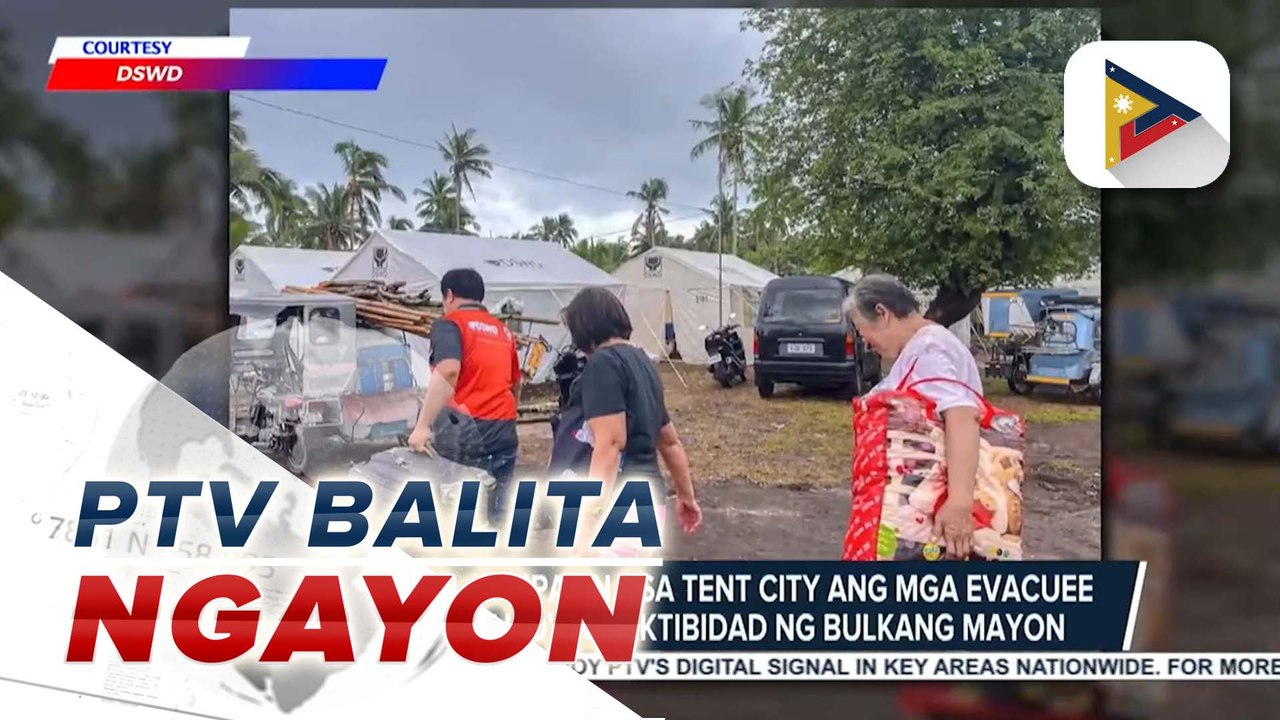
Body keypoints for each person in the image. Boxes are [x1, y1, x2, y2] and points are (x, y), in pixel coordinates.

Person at [843, 274, 983, 559]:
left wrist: (959, 503)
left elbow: (961, 414)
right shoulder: (925, 346)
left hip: (931, 520)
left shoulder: (929, 350)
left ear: (882, 313)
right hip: (917, 519)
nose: (865, 343)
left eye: (861, 330)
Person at [559, 287, 702, 534]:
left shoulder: (603, 364)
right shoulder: (643, 363)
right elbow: (669, 442)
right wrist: (686, 495)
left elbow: (610, 445)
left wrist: (588, 524)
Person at [407, 268, 522, 524]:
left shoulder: (451, 324)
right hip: (504, 435)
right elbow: (516, 384)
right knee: (498, 516)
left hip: (467, 437)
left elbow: (448, 370)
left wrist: (422, 426)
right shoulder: (503, 332)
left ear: (449, 296)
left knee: (460, 517)